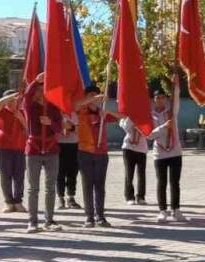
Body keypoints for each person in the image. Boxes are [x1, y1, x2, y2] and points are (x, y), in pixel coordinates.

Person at [76, 85, 122, 227]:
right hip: (85, 152)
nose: (94, 99)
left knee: (100, 186)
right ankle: (89, 217)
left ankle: (100, 216)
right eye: (90, 96)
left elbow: (123, 116)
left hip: (101, 153)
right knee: (87, 185)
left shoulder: (102, 114)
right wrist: (90, 99)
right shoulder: (81, 111)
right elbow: (75, 105)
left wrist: (106, 111)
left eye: (96, 96)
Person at [23, 76, 63, 233]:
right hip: (34, 150)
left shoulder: (53, 107)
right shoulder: (30, 107)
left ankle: (49, 220)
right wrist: (35, 81)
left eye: (43, 89)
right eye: (39, 89)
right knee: (33, 188)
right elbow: (26, 97)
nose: (41, 92)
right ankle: (32, 221)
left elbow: (59, 128)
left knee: (50, 187)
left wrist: (51, 123)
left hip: (52, 150)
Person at [151, 76, 186, 223]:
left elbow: (176, 98)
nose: (160, 100)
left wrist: (176, 85)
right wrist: (164, 126)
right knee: (162, 182)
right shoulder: (150, 115)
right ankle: (162, 210)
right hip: (159, 153)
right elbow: (150, 135)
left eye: (162, 97)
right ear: (154, 100)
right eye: (157, 98)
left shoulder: (172, 112)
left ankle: (176, 210)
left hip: (175, 151)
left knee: (175, 182)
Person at [0, 90, 26, 214]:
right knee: (5, 175)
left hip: (19, 146)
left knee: (19, 175)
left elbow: (28, 128)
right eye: (11, 100)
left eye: (15, 100)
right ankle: (8, 202)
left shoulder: (21, 112)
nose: (13, 102)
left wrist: (21, 117)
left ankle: (18, 201)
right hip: (3, 147)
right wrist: (12, 95)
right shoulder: (1, 111)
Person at [119, 113, 149, 206]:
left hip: (142, 148)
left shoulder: (146, 116)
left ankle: (141, 196)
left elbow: (148, 131)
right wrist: (130, 116)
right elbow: (124, 126)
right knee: (129, 173)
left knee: (141, 174)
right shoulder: (128, 116)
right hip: (128, 148)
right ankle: (129, 196)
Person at [56, 104, 81, 210]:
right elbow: (54, 127)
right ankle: (60, 198)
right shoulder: (56, 114)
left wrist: (71, 127)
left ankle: (71, 196)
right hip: (59, 145)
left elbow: (79, 129)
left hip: (73, 145)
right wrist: (62, 126)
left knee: (72, 171)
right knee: (59, 172)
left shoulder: (74, 114)